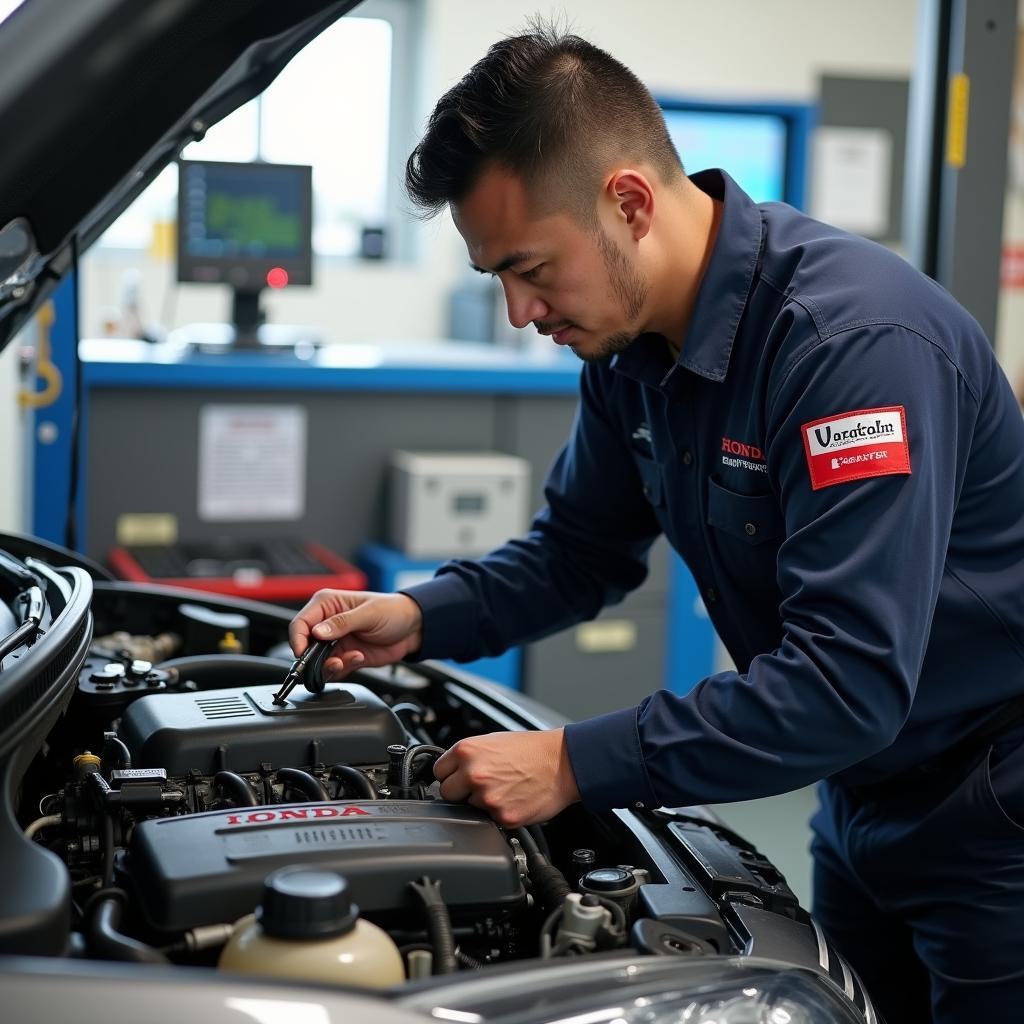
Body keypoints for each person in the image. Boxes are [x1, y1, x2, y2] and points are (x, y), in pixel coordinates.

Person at [289, 25, 1024, 1023]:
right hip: (859, 798)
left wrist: (570, 762)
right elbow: (576, 553)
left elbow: (845, 681)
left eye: (531, 268)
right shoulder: (627, 353)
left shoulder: (852, 349)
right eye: (495, 276)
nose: (518, 312)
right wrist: (417, 616)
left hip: (993, 813)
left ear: (628, 202)